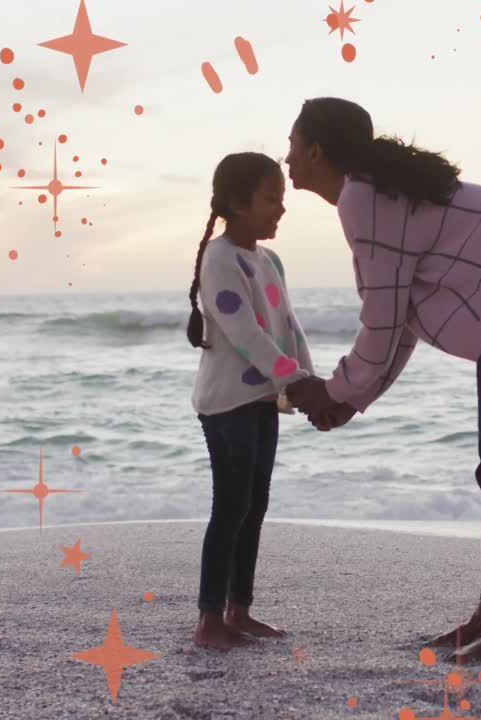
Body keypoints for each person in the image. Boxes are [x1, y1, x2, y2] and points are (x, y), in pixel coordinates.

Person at [282, 98, 481, 662]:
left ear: (316, 150)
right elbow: (396, 322)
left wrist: (335, 391)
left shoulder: (361, 198)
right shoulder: (370, 194)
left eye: (293, 144)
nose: (287, 157)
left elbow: (379, 324)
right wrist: (353, 397)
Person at [187, 152, 314, 650]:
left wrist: (308, 381)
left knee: (255, 505)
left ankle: (240, 610)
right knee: (232, 506)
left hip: (262, 397)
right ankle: (208, 618)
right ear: (238, 203)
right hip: (227, 403)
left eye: (281, 200)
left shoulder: (270, 260)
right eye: (271, 200)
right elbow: (246, 335)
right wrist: (299, 382)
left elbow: (286, 329)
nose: (280, 209)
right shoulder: (218, 259)